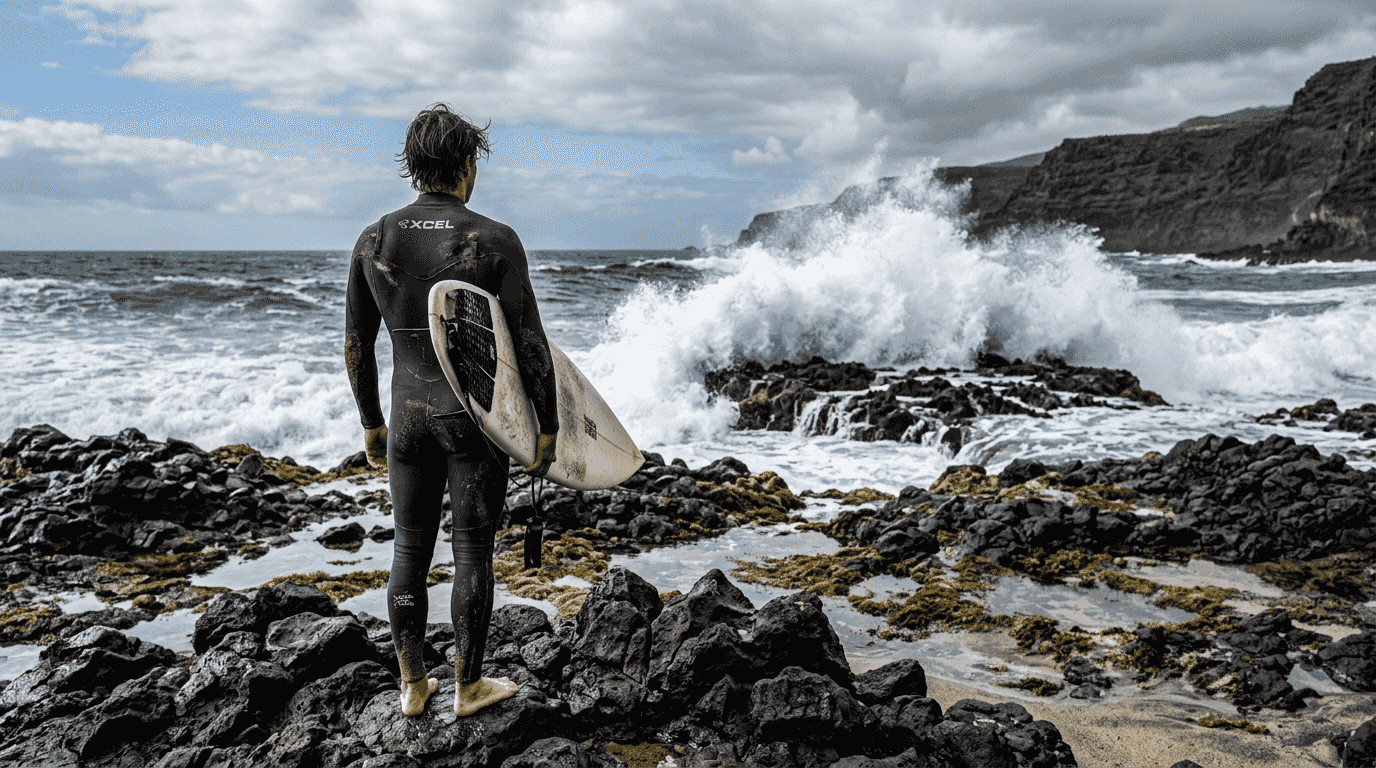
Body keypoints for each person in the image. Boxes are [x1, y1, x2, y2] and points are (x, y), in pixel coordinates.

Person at [344, 104, 559, 717]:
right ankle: (468, 685)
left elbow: (358, 343)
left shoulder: (373, 238)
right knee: (472, 552)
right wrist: (547, 427)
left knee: (408, 550)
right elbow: (529, 343)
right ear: (467, 163)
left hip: (406, 415)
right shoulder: (493, 239)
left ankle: (412, 686)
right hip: (475, 417)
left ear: (414, 166)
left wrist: (370, 422)